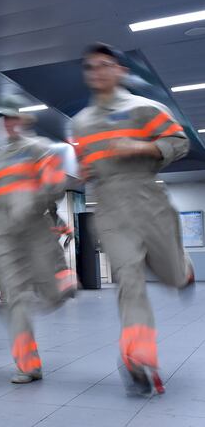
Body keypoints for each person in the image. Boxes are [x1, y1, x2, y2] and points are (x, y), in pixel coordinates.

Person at [71, 43, 194, 396]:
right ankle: (137, 355)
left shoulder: (145, 108)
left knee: (170, 272)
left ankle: (181, 269)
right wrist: (86, 172)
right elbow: (87, 163)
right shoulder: (80, 123)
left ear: (121, 70)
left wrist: (142, 147)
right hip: (108, 204)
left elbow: (178, 142)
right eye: (90, 67)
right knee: (129, 279)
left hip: (147, 197)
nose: (97, 72)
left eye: (105, 64)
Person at [0, 109, 75, 384]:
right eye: (5, 120)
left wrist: (33, 202)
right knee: (15, 300)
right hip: (5, 236)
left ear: (24, 121)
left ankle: (60, 284)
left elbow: (55, 185)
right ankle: (28, 365)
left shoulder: (40, 149)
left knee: (51, 293)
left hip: (33, 229)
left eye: (13, 118)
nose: (9, 124)